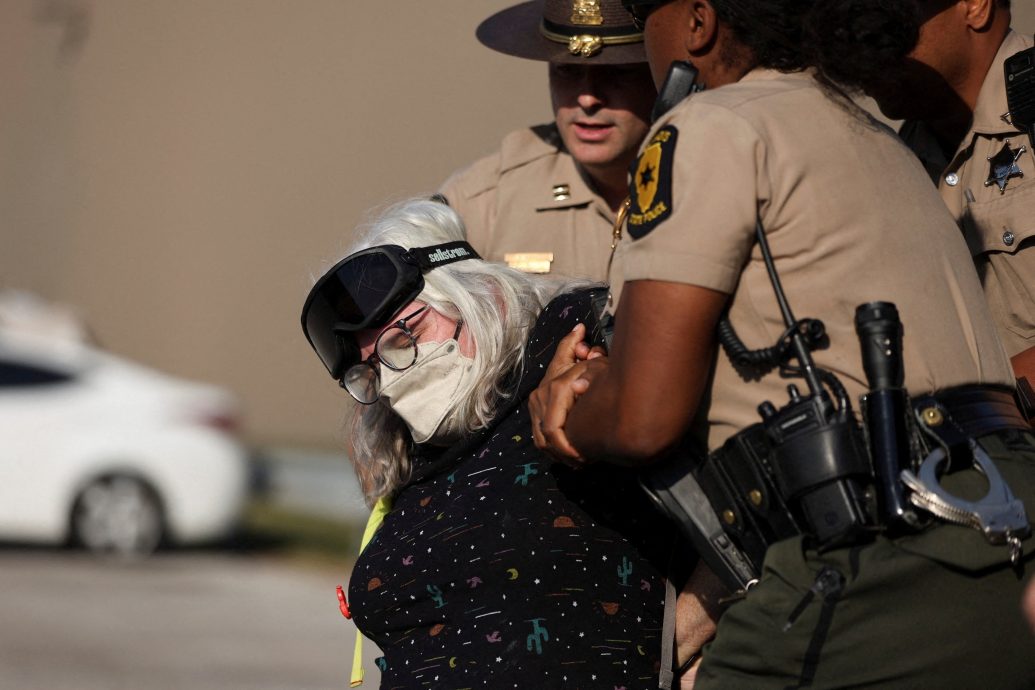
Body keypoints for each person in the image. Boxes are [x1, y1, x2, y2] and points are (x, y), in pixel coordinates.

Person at [528, 0, 1035, 687]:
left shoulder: (710, 126)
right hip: (1003, 542)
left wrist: (569, 407)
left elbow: (642, 420)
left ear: (697, 24)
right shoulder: (875, 133)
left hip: (867, 563)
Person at [300, 198, 670, 688]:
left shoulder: (570, 339)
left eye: (403, 337)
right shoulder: (412, 458)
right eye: (370, 370)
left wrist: (698, 626)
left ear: (481, 296)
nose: (392, 379)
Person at [864, 0, 1035, 420]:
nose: (867, 47)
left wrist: (987, 413)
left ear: (975, 6)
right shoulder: (889, 162)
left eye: (892, 22)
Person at [437, 0, 657, 281]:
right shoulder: (483, 200)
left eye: (617, 73)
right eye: (567, 71)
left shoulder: (701, 184)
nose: (588, 98)